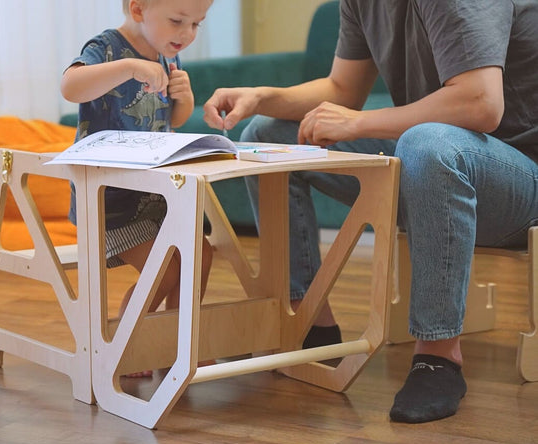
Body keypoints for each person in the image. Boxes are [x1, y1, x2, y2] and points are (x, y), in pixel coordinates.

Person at [203, 0, 538, 422]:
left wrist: (360, 124)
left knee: (427, 143)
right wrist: (263, 97)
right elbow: (343, 90)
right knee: (270, 133)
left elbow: (481, 104)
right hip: (435, 159)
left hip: (521, 177)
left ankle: (439, 356)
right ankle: (306, 324)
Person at [61, 0, 215, 376]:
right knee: (164, 270)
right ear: (138, 9)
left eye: (197, 24)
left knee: (201, 255)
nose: (187, 33)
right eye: (178, 20)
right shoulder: (108, 48)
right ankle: (127, 345)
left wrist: (185, 97)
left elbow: (173, 120)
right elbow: (70, 87)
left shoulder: (165, 55)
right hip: (109, 200)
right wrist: (130, 67)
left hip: (154, 196)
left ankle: (179, 342)